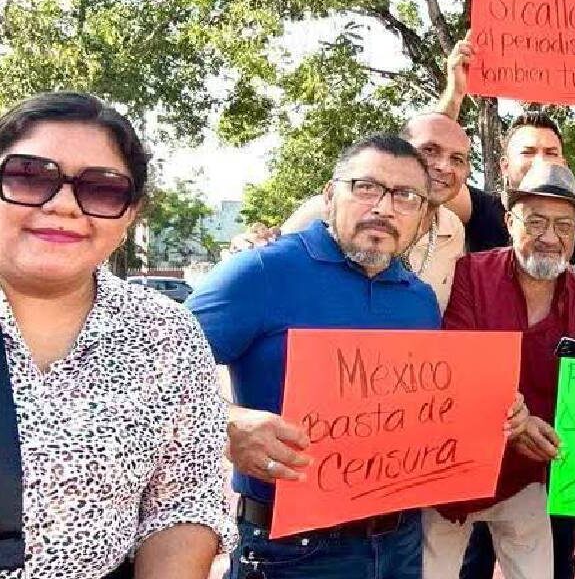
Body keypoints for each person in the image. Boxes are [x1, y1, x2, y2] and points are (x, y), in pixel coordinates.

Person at [188, 133, 526, 579]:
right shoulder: (259, 273)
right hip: (292, 552)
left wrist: (499, 409)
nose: (384, 208)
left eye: (405, 197)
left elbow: (423, 405)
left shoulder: (419, 299)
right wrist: (226, 423)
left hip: (401, 543)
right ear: (330, 196)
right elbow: (147, 372)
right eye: (366, 187)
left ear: (423, 217)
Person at [0, 92, 233, 579]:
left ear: (130, 215)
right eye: (28, 176)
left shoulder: (164, 334)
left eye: (102, 190)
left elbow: (185, 499)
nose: (63, 205)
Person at [422, 163, 575, 579]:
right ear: (509, 221)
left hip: (523, 481)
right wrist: (515, 417)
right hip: (451, 475)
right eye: (535, 221)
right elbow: (455, 364)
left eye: (564, 225)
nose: (550, 237)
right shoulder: (469, 276)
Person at [279, 114, 470, 310]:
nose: (444, 166)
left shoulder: (454, 231)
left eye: (457, 159)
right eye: (429, 150)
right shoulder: (327, 209)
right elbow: (272, 263)